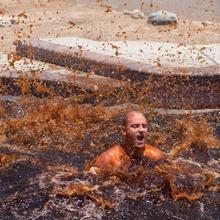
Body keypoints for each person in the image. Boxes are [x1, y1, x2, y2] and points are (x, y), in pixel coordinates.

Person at [91, 110, 164, 173]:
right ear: (124, 130)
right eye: (135, 126)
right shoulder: (108, 159)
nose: (141, 130)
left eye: (144, 126)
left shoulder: (155, 155)